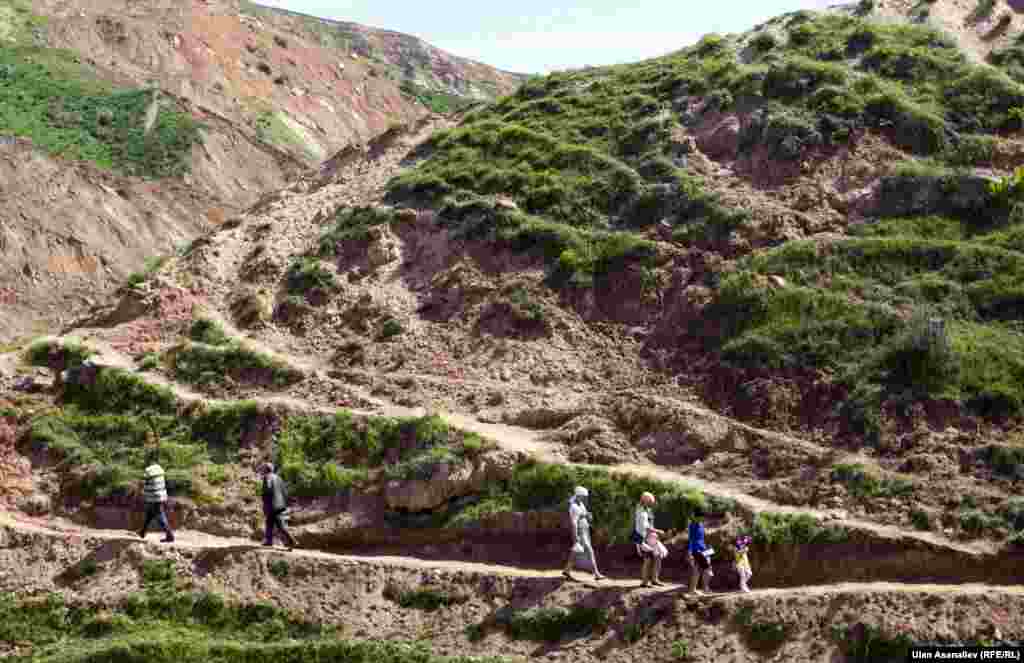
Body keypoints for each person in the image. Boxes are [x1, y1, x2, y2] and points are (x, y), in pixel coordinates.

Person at [562, 485, 604, 581]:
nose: (586, 499)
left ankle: (567, 570)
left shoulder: (580, 504)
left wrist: (587, 516)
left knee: (575, 552)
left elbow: (583, 515)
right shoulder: (574, 507)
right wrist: (576, 537)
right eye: (584, 497)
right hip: (580, 532)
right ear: (579, 496)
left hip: (584, 531)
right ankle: (596, 573)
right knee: (589, 551)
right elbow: (574, 523)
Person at [260, 462, 297, 550]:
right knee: (269, 522)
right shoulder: (279, 478)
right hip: (280, 505)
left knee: (280, 526)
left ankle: (292, 541)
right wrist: (287, 502)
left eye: (263, 469)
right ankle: (268, 541)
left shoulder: (267, 477)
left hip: (272, 505)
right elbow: (284, 492)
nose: (262, 470)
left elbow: (268, 490)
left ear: (266, 469)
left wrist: (265, 503)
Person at [634, 492, 667, 587]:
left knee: (658, 556)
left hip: (650, 537)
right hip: (642, 537)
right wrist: (658, 531)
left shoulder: (646, 510)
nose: (651, 504)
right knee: (648, 559)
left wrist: (655, 533)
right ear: (645, 501)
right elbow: (646, 527)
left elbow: (649, 525)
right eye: (650, 502)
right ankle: (644, 582)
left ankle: (654, 579)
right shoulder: (641, 512)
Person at [139, 455, 174, 543]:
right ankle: (142, 532)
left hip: (153, 497)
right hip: (161, 495)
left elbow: (142, 483)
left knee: (160, 516)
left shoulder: (148, 471)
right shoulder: (159, 469)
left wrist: (141, 491)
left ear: (148, 462)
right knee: (149, 514)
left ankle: (170, 535)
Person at [687, 506, 713, 595]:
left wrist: (707, 548)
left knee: (697, 570)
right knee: (706, 569)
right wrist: (690, 552)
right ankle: (705, 588)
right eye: (701, 517)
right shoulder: (692, 525)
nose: (702, 518)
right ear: (695, 516)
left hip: (703, 549)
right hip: (696, 550)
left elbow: (701, 538)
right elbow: (691, 539)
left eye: (703, 517)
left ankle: (693, 590)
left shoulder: (701, 524)